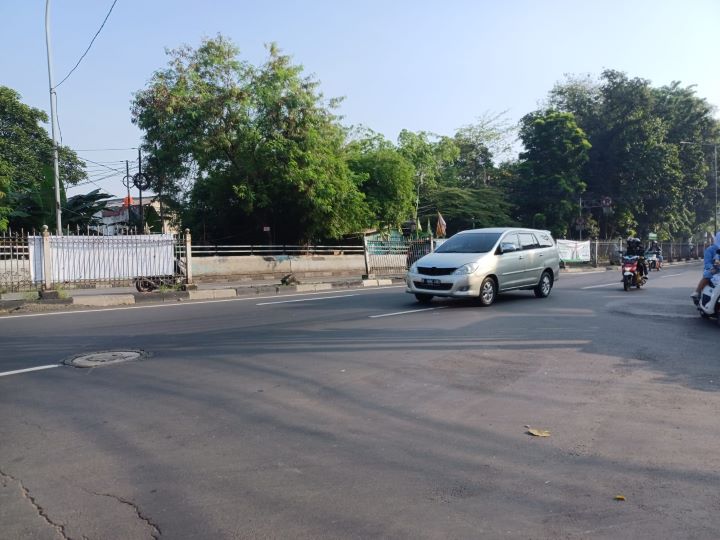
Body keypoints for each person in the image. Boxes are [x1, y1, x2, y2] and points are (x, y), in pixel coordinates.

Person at [691, 232, 720, 303]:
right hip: (713, 270)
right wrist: (712, 268)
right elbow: (707, 263)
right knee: (707, 275)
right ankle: (697, 292)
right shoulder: (710, 250)